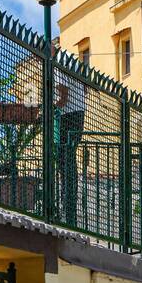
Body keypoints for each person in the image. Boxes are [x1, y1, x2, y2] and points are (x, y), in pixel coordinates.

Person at [56, 73, 87, 226]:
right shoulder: (73, 63)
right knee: (68, 159)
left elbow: (63, 98)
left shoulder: (59, 65)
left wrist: (47, 110)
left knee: (64, 159)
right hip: (78, 115)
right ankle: (69, 205)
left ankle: (67, 207)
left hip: (68, 116)